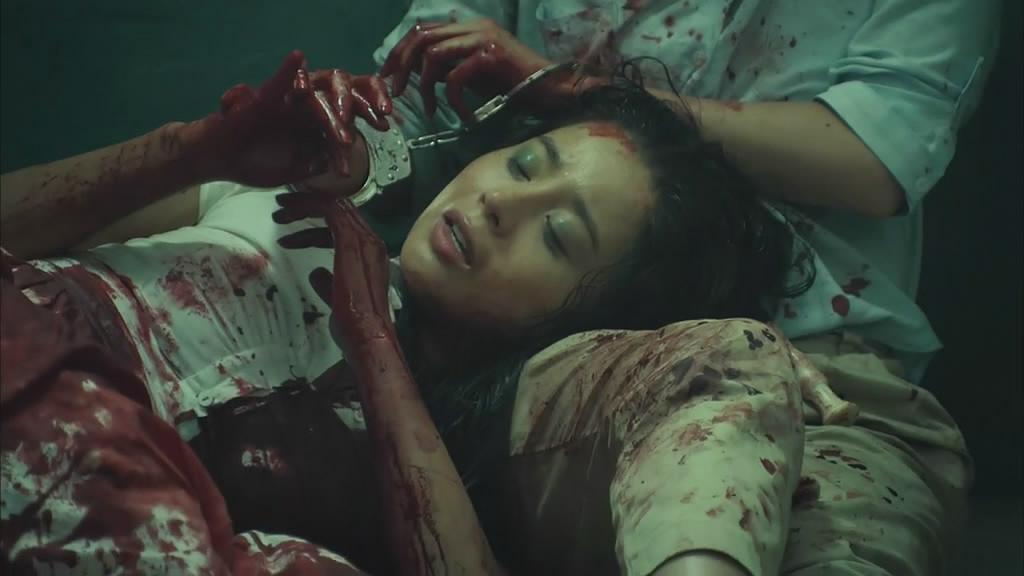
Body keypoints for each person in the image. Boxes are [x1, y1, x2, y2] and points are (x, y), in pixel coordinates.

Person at [1, 51, 834, 574]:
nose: (503, 202)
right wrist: (198, 150)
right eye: (526, 165)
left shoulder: (435, 463)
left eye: (557, 234)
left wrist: (373, 342)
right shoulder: (281, 198)